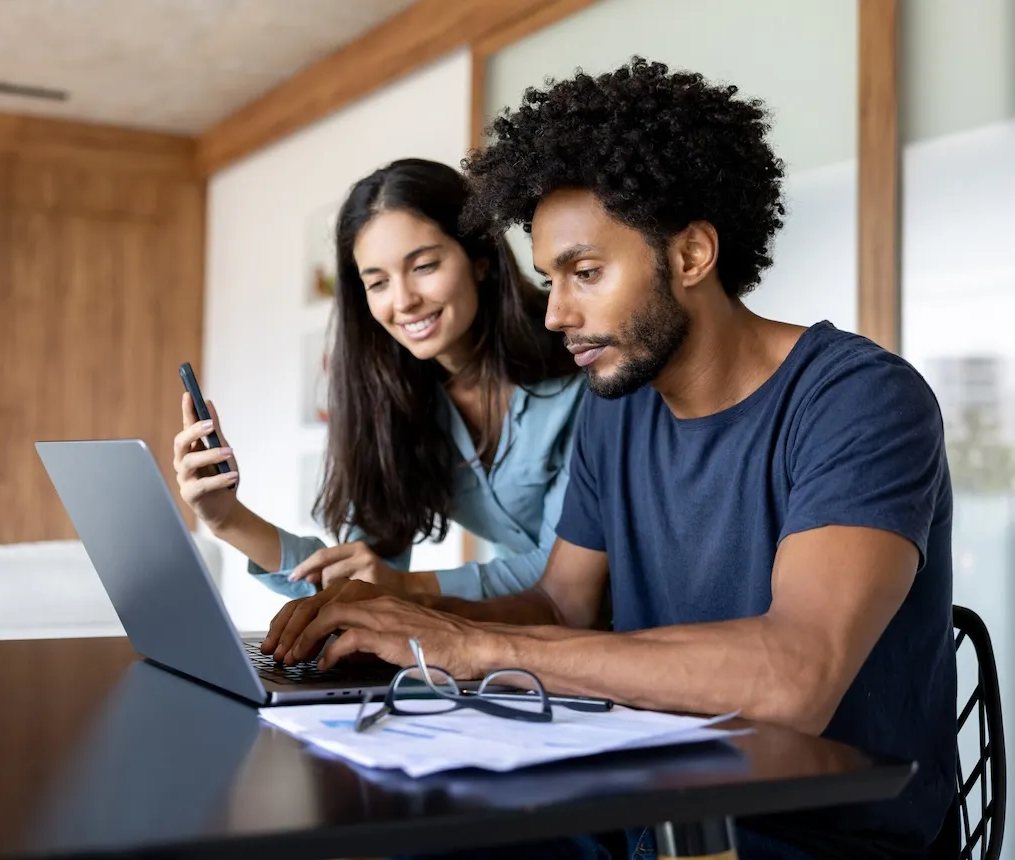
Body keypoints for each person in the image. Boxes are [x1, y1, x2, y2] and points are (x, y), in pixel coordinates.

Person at [261, 59, 958, 860]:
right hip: (635, 798)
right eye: (551, 277)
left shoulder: (857, 400)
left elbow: (794, 677)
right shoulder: (615, 406)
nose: (557, 313)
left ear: (692, 254)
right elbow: (564, 605)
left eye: (587, 273)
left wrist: (474, 647)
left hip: (807, 834)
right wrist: (409, 623)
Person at [173, 158, 585, 602]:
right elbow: (362, 576)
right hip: (530, 635)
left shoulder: (582, 363)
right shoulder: (399, 401)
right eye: (377, 283)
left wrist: (409, 588)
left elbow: (566, 571)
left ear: (479, 259)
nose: (403, 301)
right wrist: (226, 519)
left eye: (424, 266)